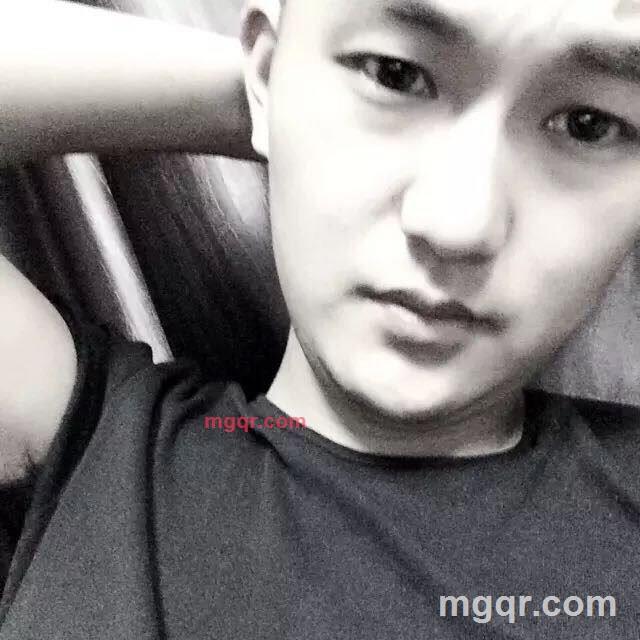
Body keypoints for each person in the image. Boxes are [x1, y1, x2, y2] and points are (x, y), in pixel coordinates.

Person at [0, 0, 639, 637]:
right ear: (267, 71)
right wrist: (272, 100)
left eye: (589, 126)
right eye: (393, 74)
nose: (458, 224)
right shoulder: (92, 450)